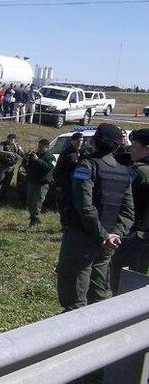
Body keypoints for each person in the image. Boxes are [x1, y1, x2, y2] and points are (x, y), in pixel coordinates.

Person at [56, 123, 134, 311]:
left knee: (74, 295)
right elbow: (128, 212)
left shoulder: (87, 166)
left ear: (95, 141)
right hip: (107, 242)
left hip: (82, 238)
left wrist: (103, 235)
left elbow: (84, 206)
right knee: (99, 294)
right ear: (117, 146)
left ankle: (74, 337)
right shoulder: (124, 172)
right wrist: (114, 235)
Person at [110, 128, 149, 289]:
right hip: (145, 233)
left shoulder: (139, 172)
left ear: (147, 149)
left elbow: (119, 196)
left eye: (134, 146)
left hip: (134, 233)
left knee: (121, 282)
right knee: (138, 277)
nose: (131, 149)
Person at [53, 132, 85, 226]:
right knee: (66, 205)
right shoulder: (66, 153)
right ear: (72, 141)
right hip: (67, 183)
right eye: (78, 140)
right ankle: (65, 224)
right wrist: (59, 184)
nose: (80, 142)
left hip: (80, 183)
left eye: (81, 140)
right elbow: (58, 169)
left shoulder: (84, 152)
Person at [25, 139, 56, 229]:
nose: (39, 149)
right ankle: (33, 217)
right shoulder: (35, 155)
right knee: (30, 201)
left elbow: (49, 167)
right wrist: (27, 158)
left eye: (42, 147)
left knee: (37, 202)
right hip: (32, 181)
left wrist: (38, 160)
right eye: (39, 146)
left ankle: (35, 220)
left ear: (47, 147)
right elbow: (28, 166)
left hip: (42, 183)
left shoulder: (51, 157)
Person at [0, 134, 24, 202]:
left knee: (7, 183)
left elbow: (22, 154)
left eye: (12, 139)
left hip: (12, 166)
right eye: (9, 139)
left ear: (14, 139)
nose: (10, 140)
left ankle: (2, 197)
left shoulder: (16, 146)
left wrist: (22, 152)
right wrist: (7, 153)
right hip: (3, 166)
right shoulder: (3, 144)